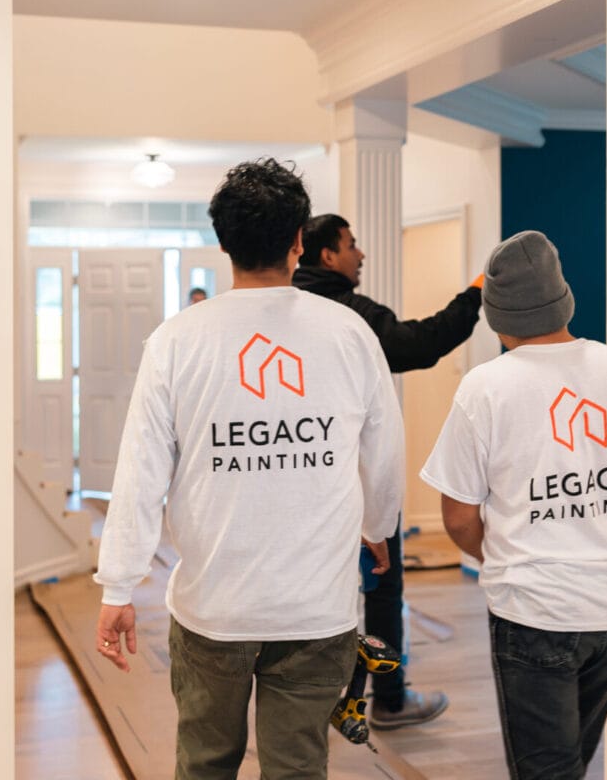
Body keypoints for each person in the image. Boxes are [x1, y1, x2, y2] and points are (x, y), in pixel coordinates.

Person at [93, 158, 405, 780]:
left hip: (215, 606)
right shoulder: (348, 334)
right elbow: (385, 448)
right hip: (318, 608)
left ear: (223, 242)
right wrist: (377, 524)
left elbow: (139, 474)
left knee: (205, 764)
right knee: (298, 768)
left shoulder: (178, 341)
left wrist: (118, 587)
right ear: (298, 242)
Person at [420, 230, 607, 779]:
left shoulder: (485, 389)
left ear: (496, 317)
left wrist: (506, 555)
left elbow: (458, 518)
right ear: (565, 300)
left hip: (535, 614)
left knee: (548, 772)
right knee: (568, 764)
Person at [293, 213, 483, 730]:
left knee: (306, 591)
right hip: (356, 483)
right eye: (352, 245)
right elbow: (420, 344)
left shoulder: (281, 313)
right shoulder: (352, 316)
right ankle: (391, 700)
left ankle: (303, 705)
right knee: (381, 591)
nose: (361, 254)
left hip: (294, 485)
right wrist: (475, 294)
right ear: (328, 255)